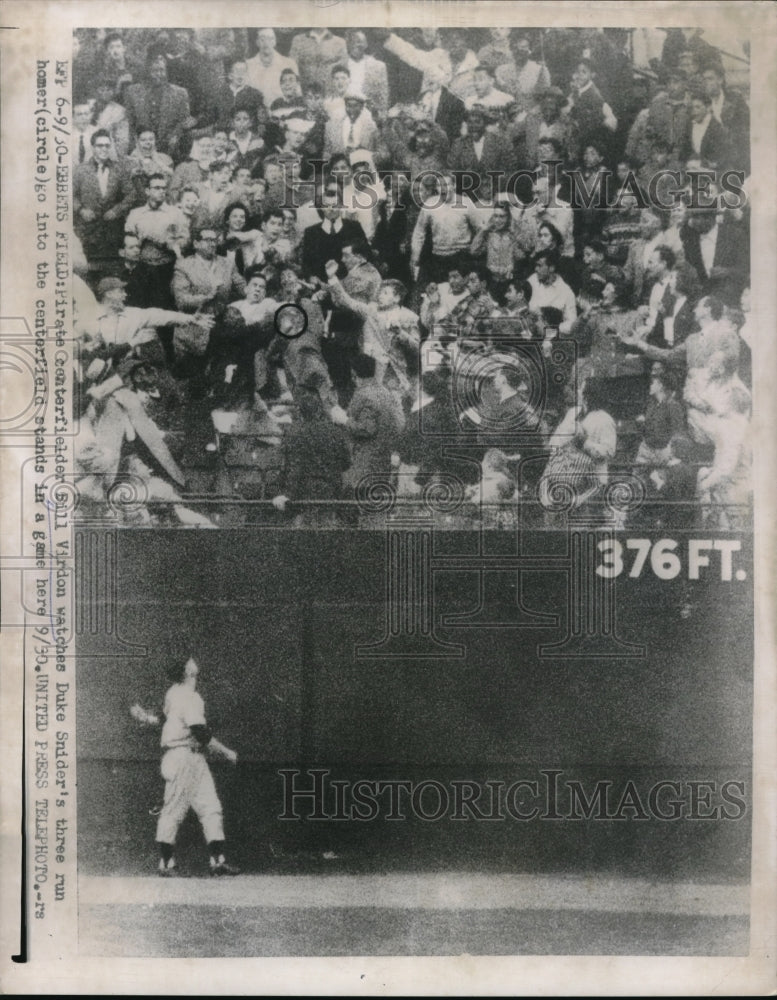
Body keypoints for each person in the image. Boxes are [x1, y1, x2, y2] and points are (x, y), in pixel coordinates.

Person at [130, 656, 239, 877]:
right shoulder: (189, 696)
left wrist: (147, 719)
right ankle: (166, 864)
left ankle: (218, 862)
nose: (193, 661)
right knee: (173, 810)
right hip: (182, 758)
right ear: (188, 671)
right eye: (190, 662)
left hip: (193, 758)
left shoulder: (174, 692)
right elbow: (200, 732)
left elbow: (164, 718)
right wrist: (227, 752)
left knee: (211, 807)